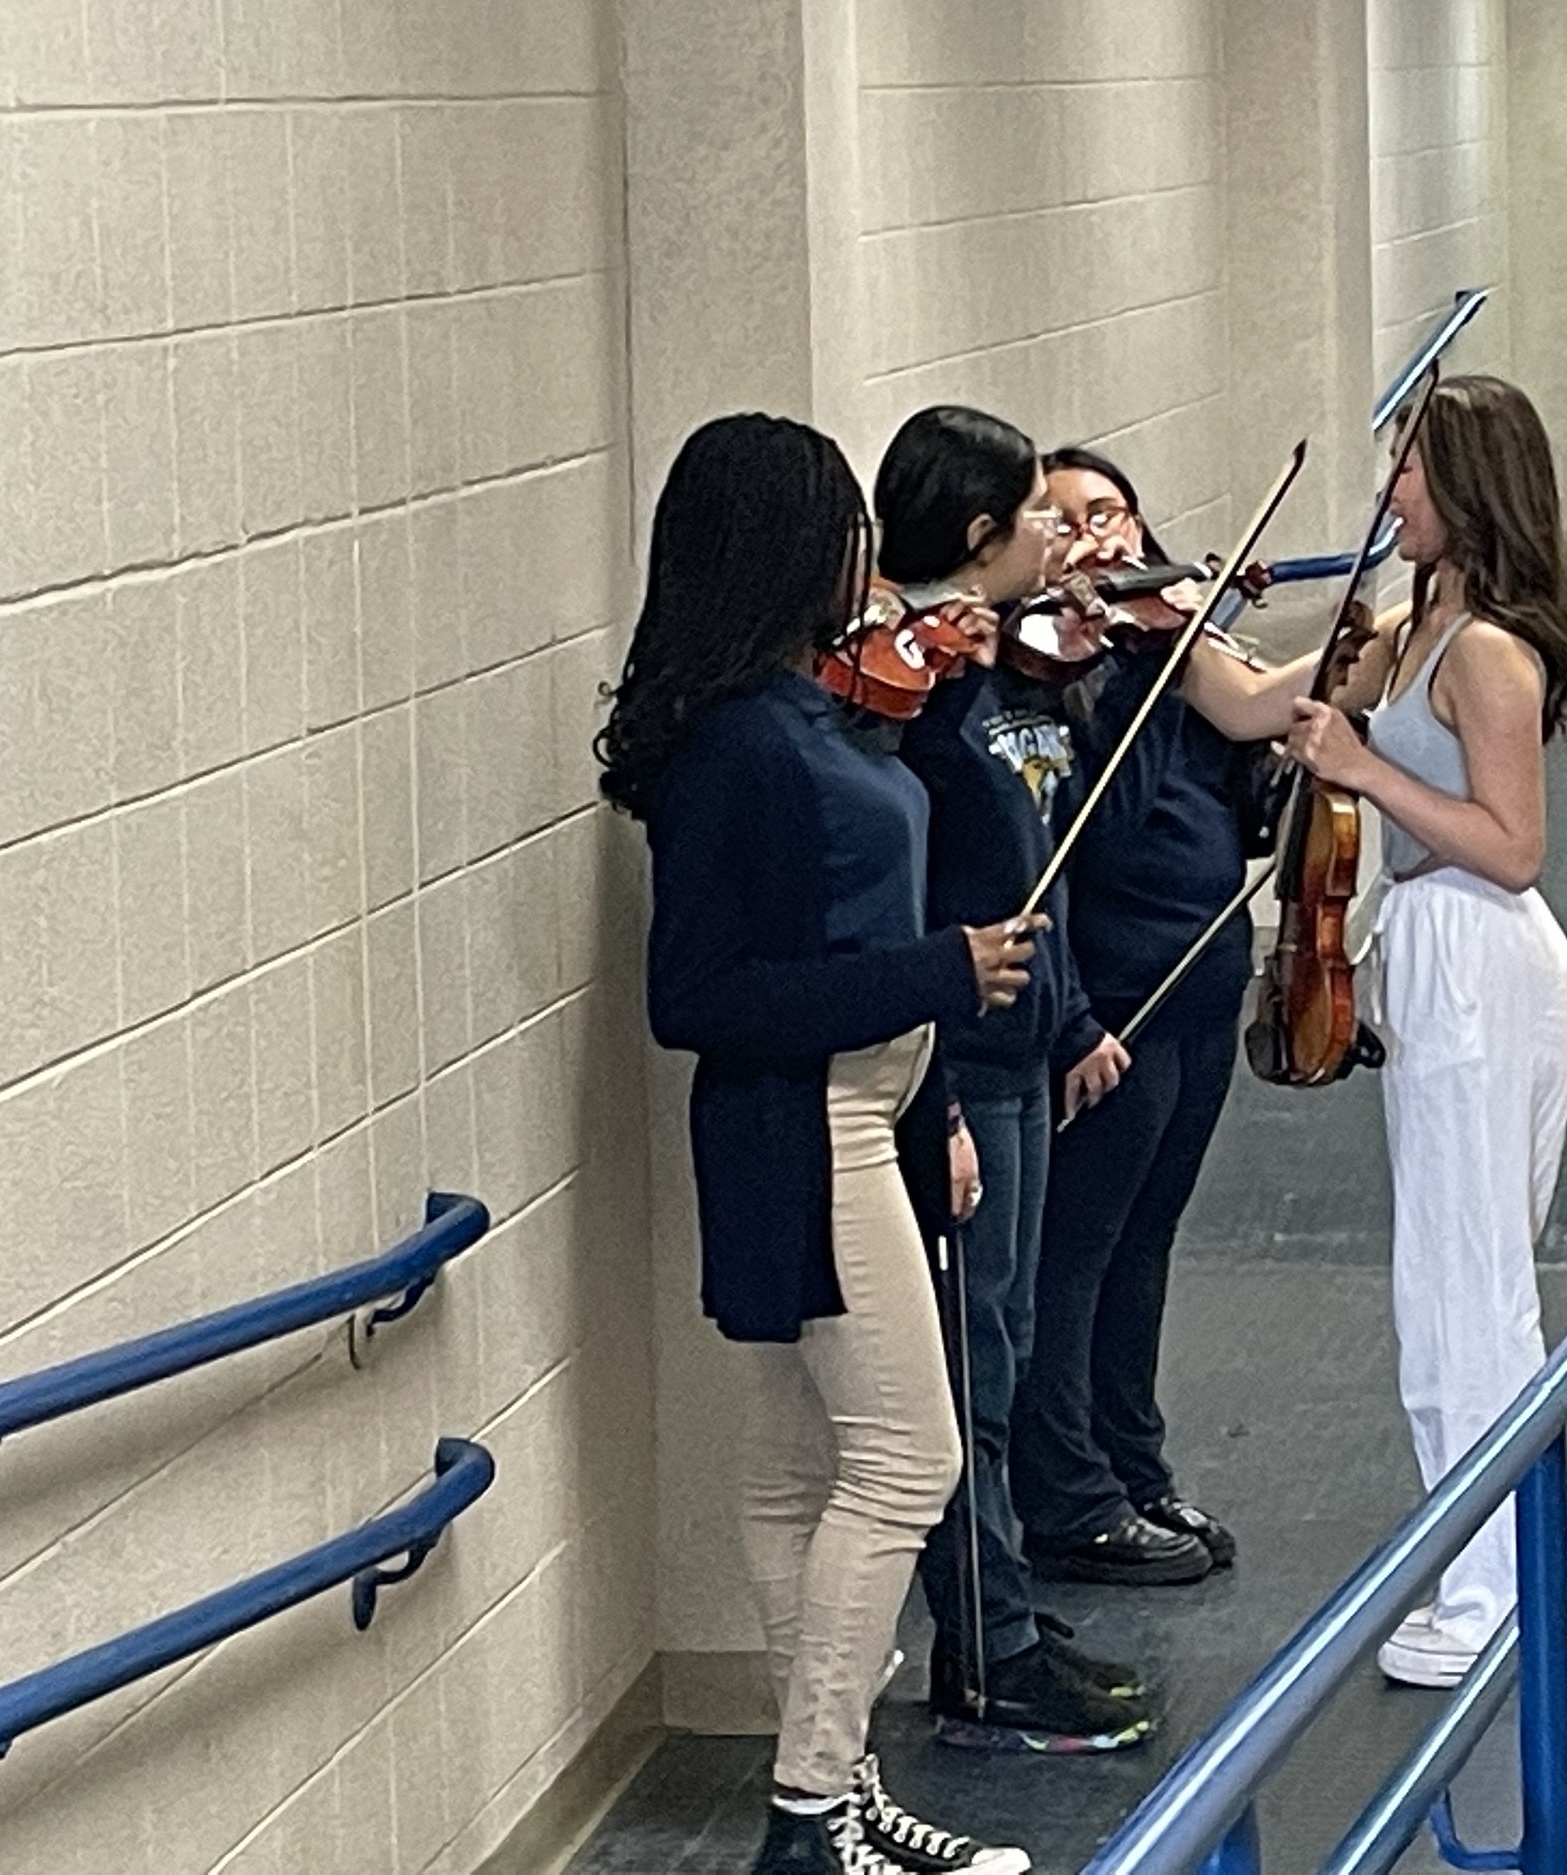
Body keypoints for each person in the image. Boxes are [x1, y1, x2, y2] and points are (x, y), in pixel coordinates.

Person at [596, 411, 1042, 1875]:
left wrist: (937, 1096)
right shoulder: (736, 745)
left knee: (800, 1464)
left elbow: (865, 896)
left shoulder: (812, 712)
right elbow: (701, 997)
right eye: (844, 521)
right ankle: (806, 1808)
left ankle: (838, 1789)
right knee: (907, 1458)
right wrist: (939, 973)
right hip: (805, 1120)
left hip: (873, 1106)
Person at [1177, 377, 1567, 1690]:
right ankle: (1483, 1571)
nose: (1388, 490)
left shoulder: (1485, 652)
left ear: (1467, 486)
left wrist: (1365, 771)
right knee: (1448, 1288)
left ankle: (1509, 1600)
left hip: (1481, 956)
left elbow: (1516, 847)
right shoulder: (1412, 625)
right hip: (1433, 953)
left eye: (1408, 469)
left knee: (1472, 1297)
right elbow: (1249, 702)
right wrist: (1160, 613)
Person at [871, 406, 1155, 1753]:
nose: (1065, 538)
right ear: (979, 536)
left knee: (1018, 1333)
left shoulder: (1020, 669)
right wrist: (934, 1098)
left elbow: (1039, 845)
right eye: (1039, 516)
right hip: (958, 1066)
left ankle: (1012, 1620)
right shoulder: (916, 693)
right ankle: (986, 1650)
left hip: (1021, 1047)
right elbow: (917, 894)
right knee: (975, 1362)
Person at [1004, 447, 1247, 1588]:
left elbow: (1238, 788)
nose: (1099, 537)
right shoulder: (1063, 679)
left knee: (1146, 1241)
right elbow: (1092, 835)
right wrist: (1144, 666)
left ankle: (1133, 1464)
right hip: (1119, 993)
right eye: (1066, 521)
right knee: (1079, 1252)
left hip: (1202, 980)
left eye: (1112, 511)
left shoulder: (1168, 648)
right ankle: (1069, 1494)